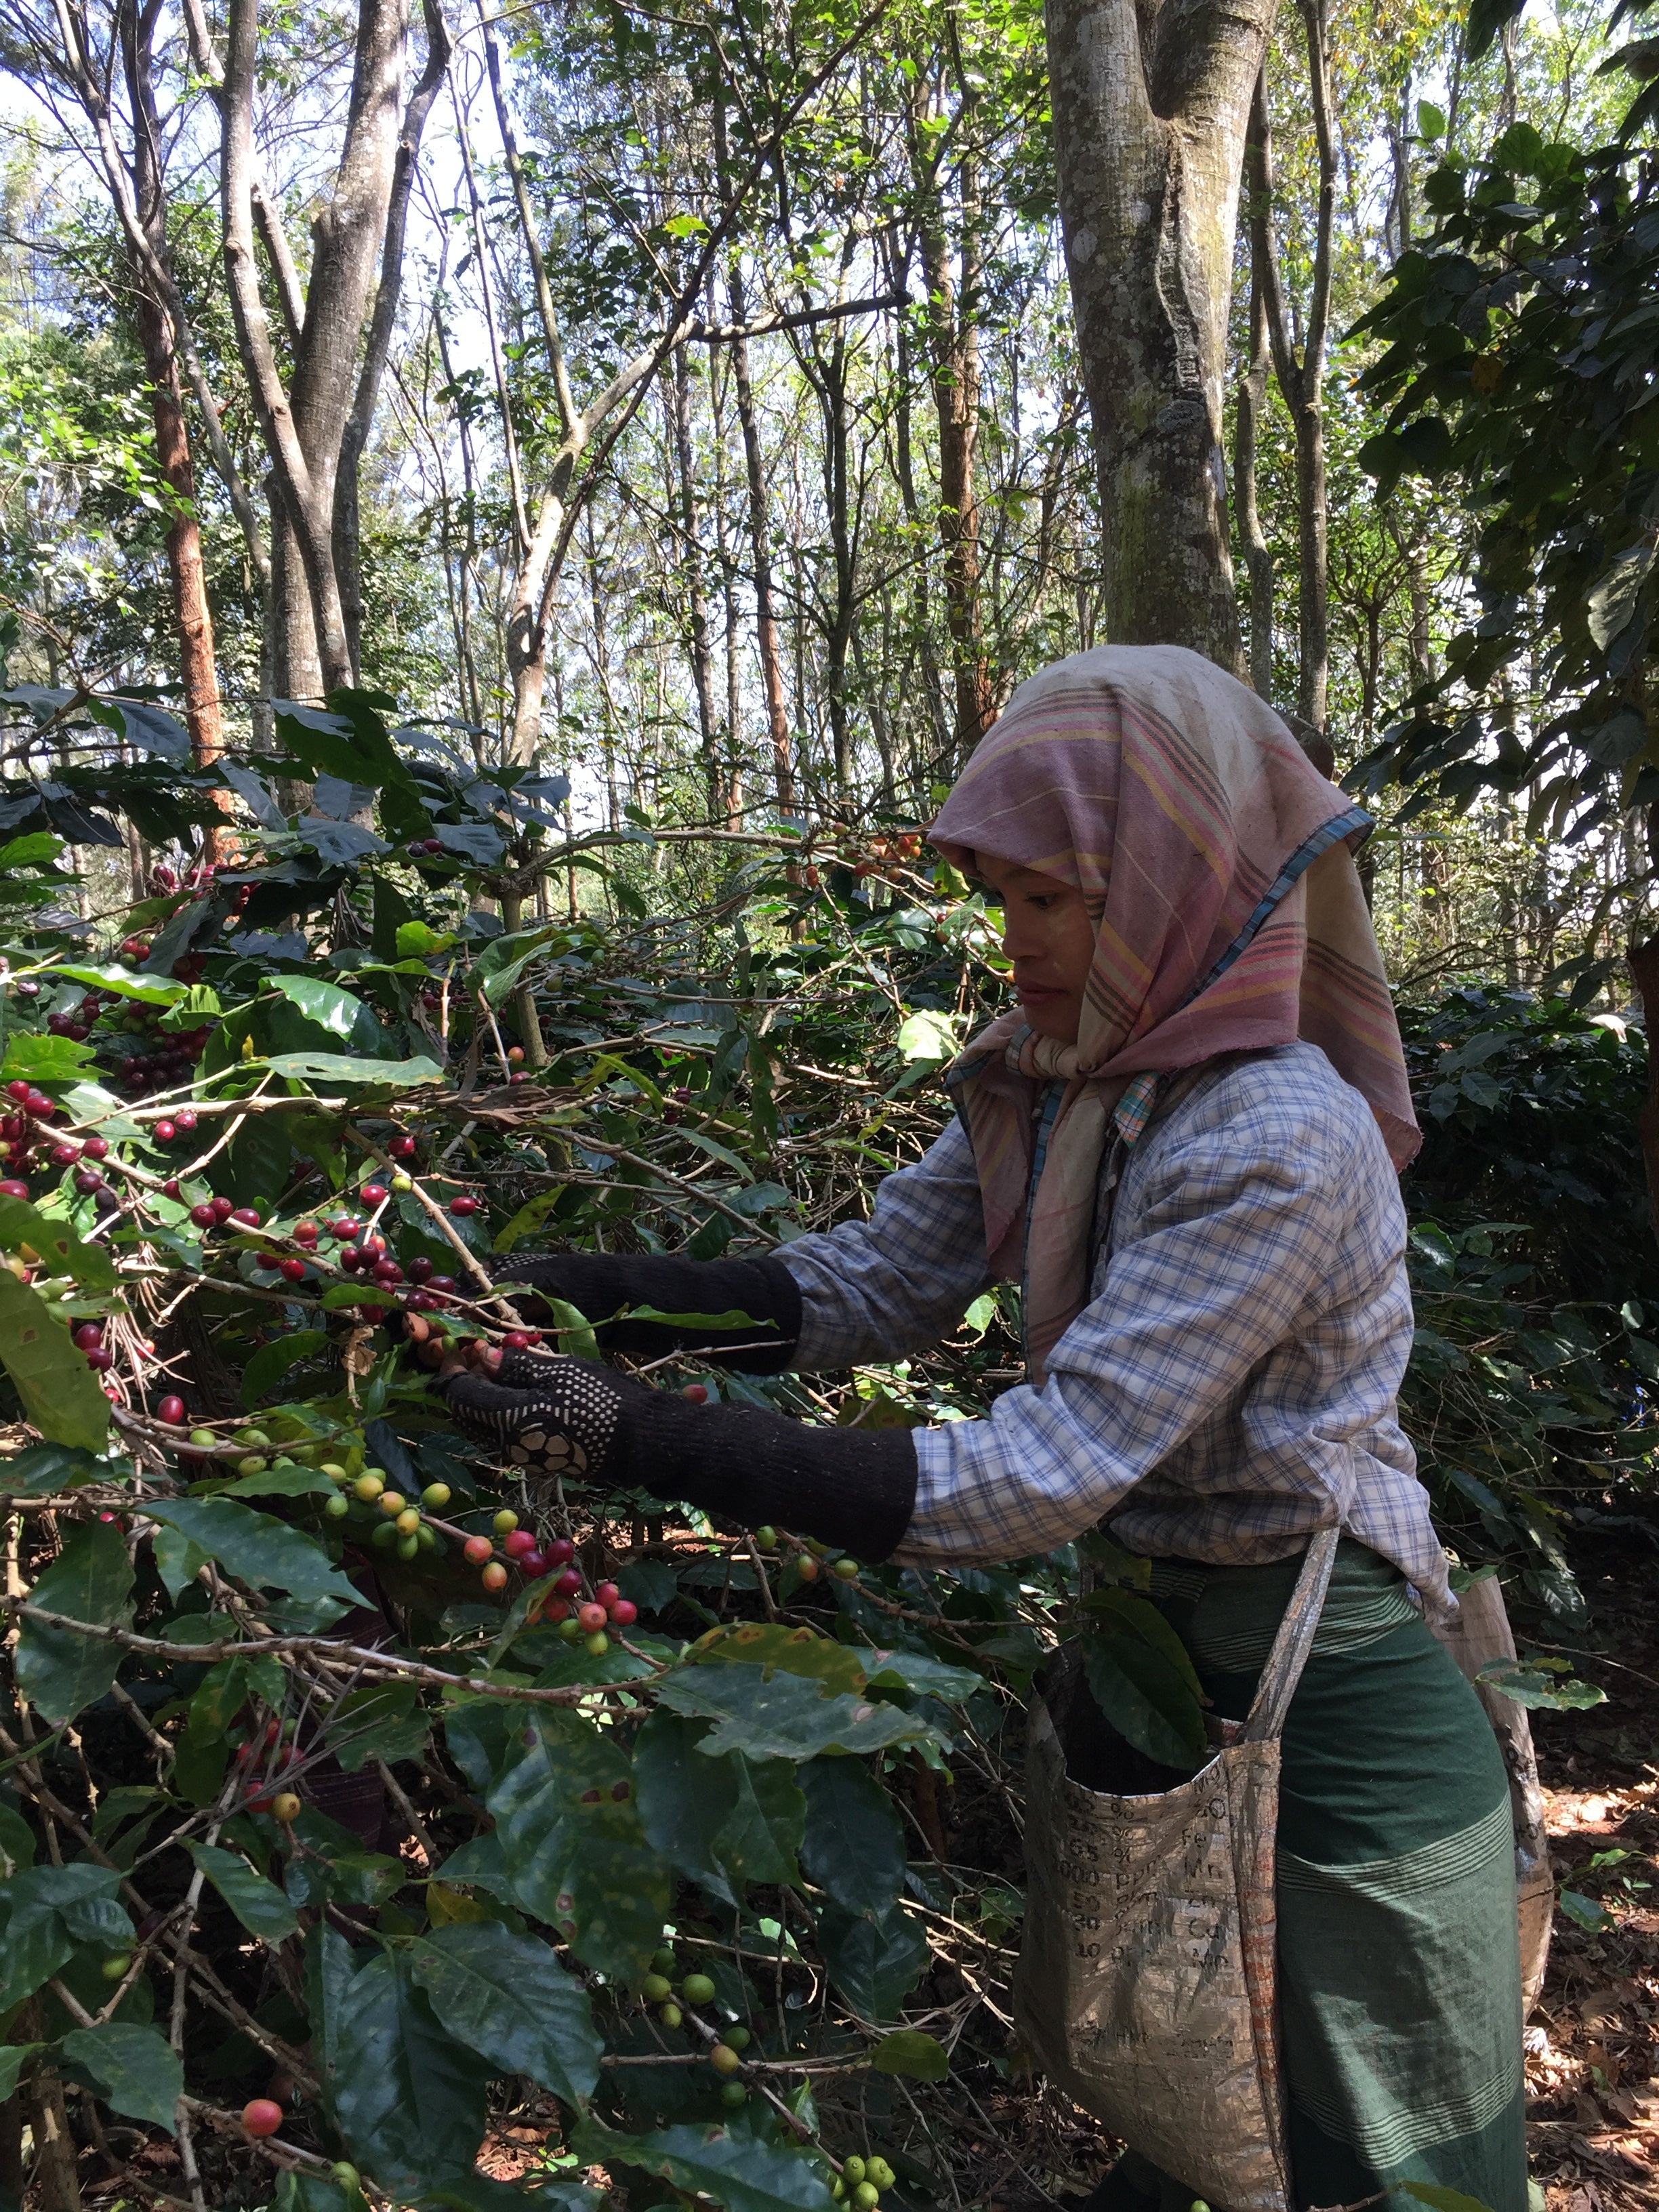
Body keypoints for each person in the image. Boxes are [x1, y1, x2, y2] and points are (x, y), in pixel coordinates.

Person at [425, 647, 1526, 2212]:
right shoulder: (1074, 1082)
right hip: (1172, 1684)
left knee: (1383, 2167)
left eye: (1054, 899)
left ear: (1170, 881)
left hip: (1335, 1729)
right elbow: (865, 1284)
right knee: (1194, 2119)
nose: (1018, 945)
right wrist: (576, 1295)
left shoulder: (1278, 1134)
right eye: (1003, 899)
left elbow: (1040, 1474)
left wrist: (635, 1438)